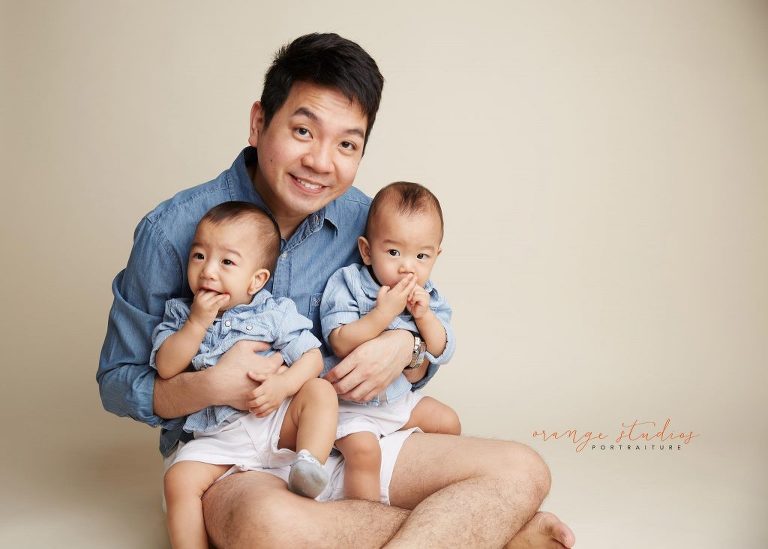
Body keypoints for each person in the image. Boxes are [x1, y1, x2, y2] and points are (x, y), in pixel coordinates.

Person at [98, 32, 575, 547]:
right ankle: (495, 535)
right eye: (303, 131)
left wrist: (406, 346)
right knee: (270, 528)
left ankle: (466, 530)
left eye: (347, 144)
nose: (322, 163)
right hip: (232, 457)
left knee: (523, 470)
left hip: (354, 436)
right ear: (259, 123)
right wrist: (212, 385)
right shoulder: (172, 230)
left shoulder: (366, 224)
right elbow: (118, 381)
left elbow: (419, 344)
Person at [151, 202, 338, 548]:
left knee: (320, 393)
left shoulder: (273, 312)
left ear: (257, 279)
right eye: (199, 256)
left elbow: (312, 357)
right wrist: (196, 323)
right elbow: (166, 367)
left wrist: (283, 385)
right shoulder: (181, 314)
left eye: (226, 262)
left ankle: (308, 464)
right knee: (178, 480)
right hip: (219, 434)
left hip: (274, 422)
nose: (208, 271)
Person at [321, 182, 461, 501]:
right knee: (364, 453)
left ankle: (419, 496)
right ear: (367, 250)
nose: (407, 266)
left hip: (397, 400)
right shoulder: (350, 284)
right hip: (349, 405)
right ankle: (364, 517)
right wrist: (382, 315)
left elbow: (443, 349)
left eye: (421, 255)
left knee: (448, 422)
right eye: (394, 252)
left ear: (435, 256)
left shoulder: (430, 297)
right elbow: (340, 341)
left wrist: (424, 317)